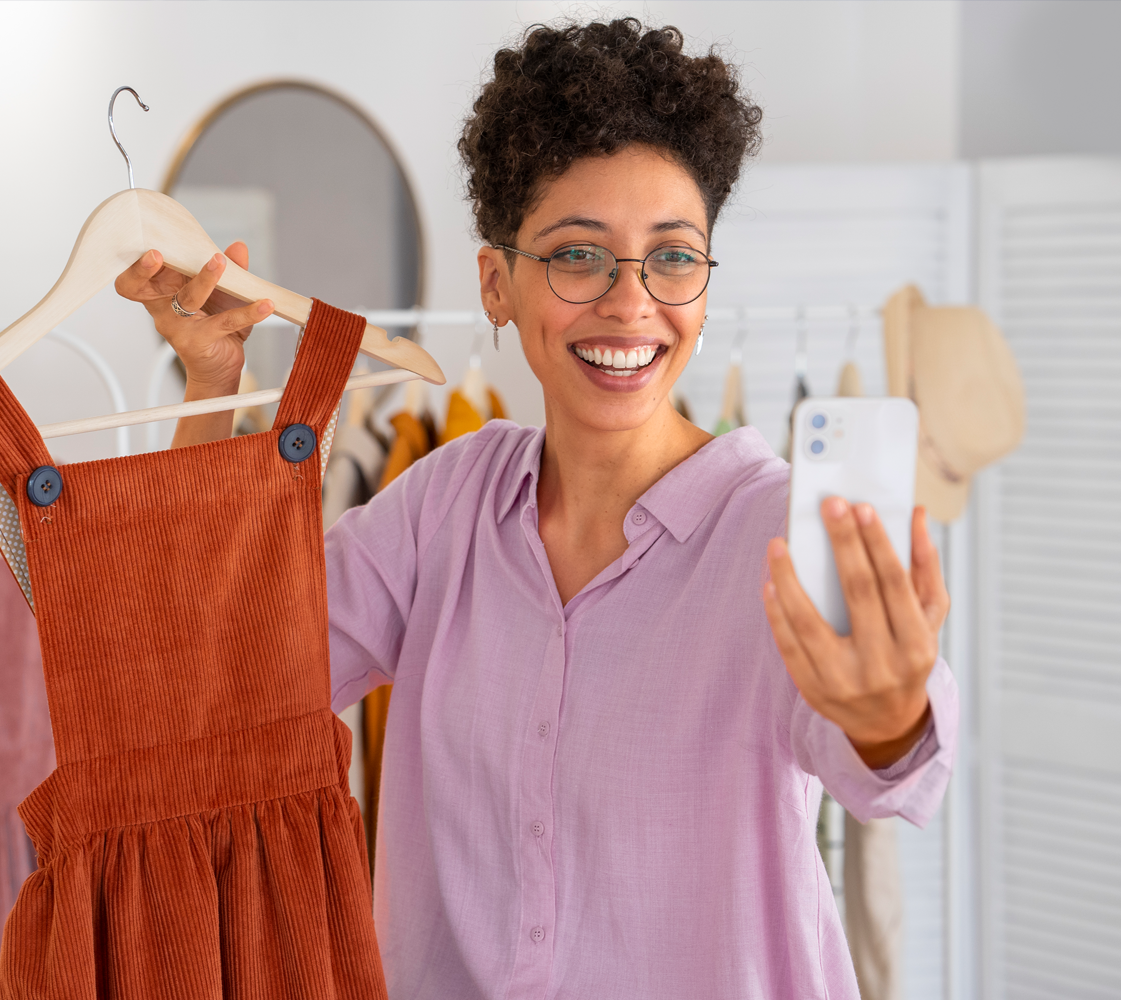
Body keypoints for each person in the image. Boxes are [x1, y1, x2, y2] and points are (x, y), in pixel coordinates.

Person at [116, 17, 955, 999]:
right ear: (495, 284)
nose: (632, 304)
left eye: (673, 256)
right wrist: (212, 383)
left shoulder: (772, 531)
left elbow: (888, 767)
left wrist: (890, 716)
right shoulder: (441, 507)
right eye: (578, 255)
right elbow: (219, 681)